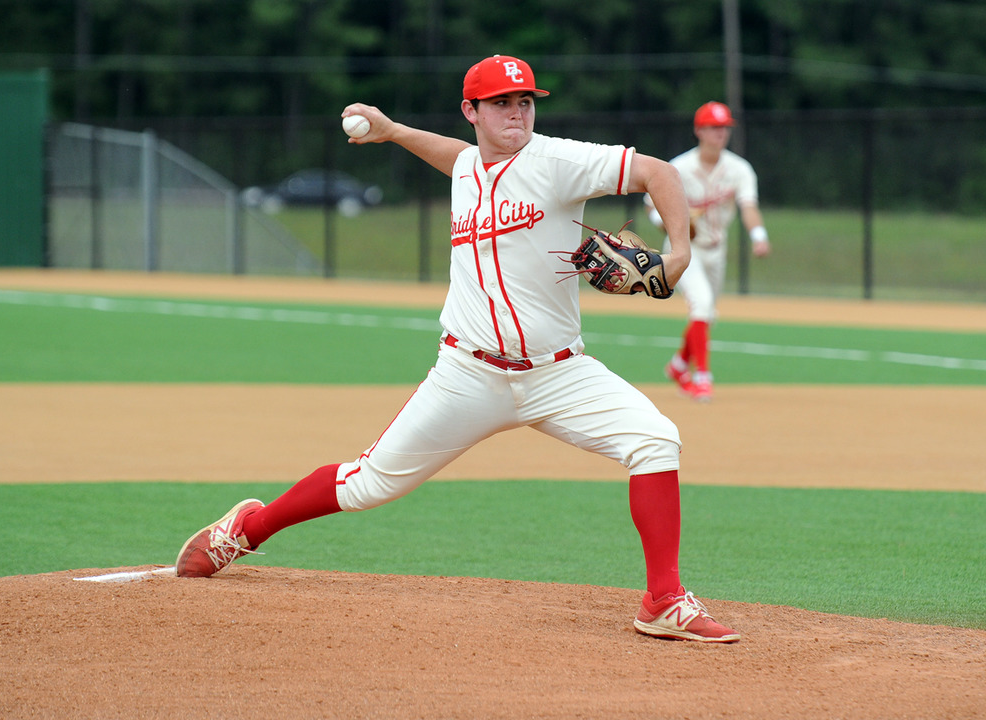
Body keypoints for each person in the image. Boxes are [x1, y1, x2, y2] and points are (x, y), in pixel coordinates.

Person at [175, 55, 739, 643]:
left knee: (655, 440)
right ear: (472, 111)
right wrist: (392, 132)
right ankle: (246, 529)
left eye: (524, 101)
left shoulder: (560, 162)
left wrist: (678, 253)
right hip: (467, 375)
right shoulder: (471, 166)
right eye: (500, 103)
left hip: (559, 374)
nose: (516, 112)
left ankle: (663, 600)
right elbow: (457, 156)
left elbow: (659, 174)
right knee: (369, 485)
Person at [645, 101, 771, 402]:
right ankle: (702, 377)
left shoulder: (739, 169)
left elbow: (748, 207)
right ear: (699, 130)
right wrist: (673, 223)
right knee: (701, 306)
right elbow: (651, 207)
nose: (721, 133)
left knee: (707, 315)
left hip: (717, 250)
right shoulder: (679, 168)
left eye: (724, 127)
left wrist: (759, 236)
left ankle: (678, 365)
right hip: (684, 251)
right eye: (714, 127)